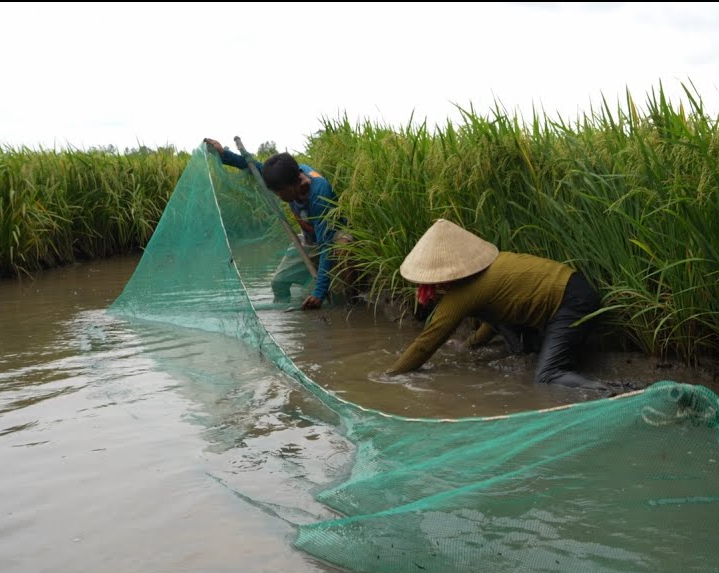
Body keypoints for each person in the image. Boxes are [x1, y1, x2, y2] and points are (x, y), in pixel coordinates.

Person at [388, 218, 610, 392]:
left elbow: (426, 343)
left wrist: (390, 376)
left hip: (570, 303)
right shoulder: (490, 267)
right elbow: (496, 317)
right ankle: (532, 350)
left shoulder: (462, 294)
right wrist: (470, 344)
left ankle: (608, 390)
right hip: (574, 287)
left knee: (547, 376)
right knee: (519, 341)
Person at [202, 138, 354, 309]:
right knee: (278, 283)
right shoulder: (288, 175)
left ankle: (351, 302)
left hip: (332, 237)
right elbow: (255, 167)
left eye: (281, 191)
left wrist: (319, 293)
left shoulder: (318, 193)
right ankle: (288, 315)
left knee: (343, 247)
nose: (279, 196)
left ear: (295, 183)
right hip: (310, 239)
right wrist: (223, 154)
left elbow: (326, 245)